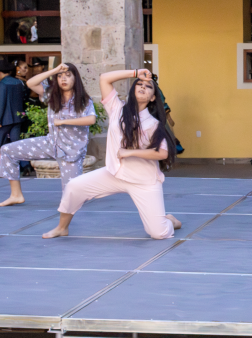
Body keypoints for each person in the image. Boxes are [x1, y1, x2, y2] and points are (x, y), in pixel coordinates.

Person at [41, 69, 181, 240]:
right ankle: (62, 227)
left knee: (159, 234)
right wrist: (136, 73)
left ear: (153, 97)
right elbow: (104, 78)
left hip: (144, 180)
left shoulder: (153, 123)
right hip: (114, 173)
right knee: (74, 186)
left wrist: (130, 153)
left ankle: (170, 221)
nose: (142, 87)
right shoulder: (117, 108)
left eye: (148, 87)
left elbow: (162, 153)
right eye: (139, 84)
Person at [0, 63, 96, 207]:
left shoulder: (83, 100)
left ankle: (83, 192)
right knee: (7, 151)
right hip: (50, 143)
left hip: (71, 151)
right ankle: (16, 195)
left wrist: (63, 121)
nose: (63, 79)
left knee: (71, 198)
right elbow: (31, 83)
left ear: (76, 78)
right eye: (60, 76)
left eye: (68, 75)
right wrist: (54, 70)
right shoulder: (51, 95)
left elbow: (91, 119)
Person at [0, 59, 27, 177]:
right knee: (17, 143)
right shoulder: (19, 82)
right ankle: (25, 165)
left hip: (4, 120)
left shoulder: (2, 84)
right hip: (18, 118)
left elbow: (0, 102)